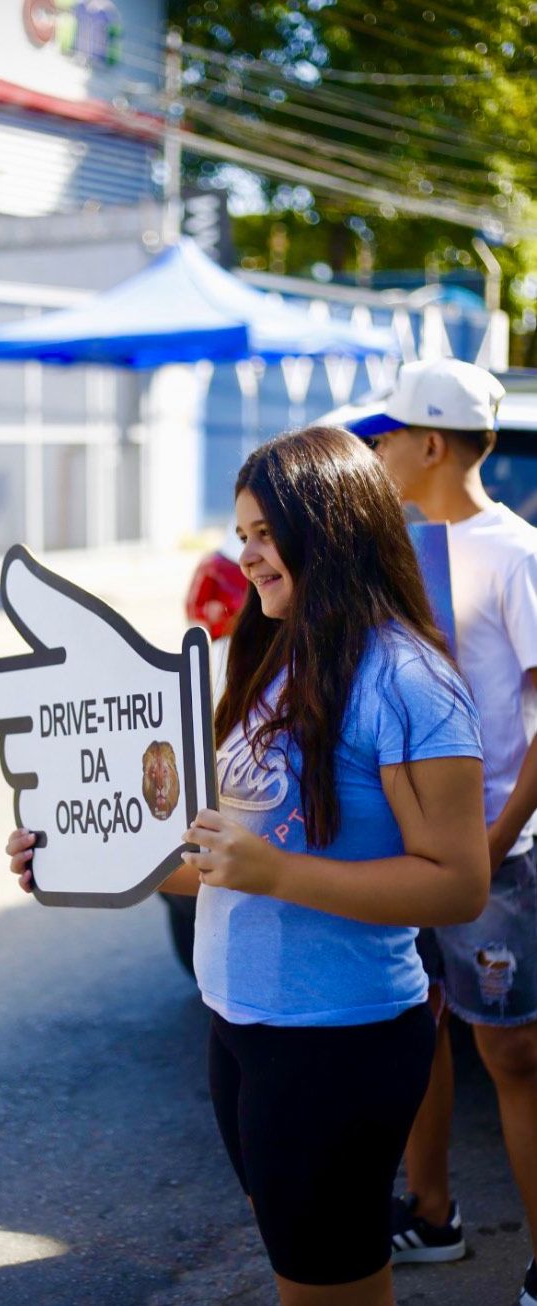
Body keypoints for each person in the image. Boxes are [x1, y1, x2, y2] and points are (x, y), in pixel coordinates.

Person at [7, 425, 490, 1306]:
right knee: (305, 1269)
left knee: (327, 1286)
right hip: (240, 1028)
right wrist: (78, 859)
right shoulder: (274, 660)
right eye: (241, 535)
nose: (248, 555)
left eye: (266, 533)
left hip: (339, 1043)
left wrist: (275, 873)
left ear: (332, 526)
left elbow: (459, 883)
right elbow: (218, 862)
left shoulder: (411, 680)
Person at [347, 358, 537, 1306]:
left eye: (384, 437)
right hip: (408, 847)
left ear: (430, 443)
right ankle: (433, 1215)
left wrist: (496, 839)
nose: (373, 451)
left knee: (510, 1053)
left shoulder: (516, 554)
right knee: (418, 1031)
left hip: (502, 851)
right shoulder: (396, 552)